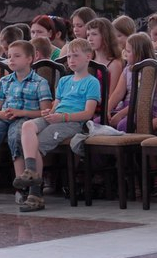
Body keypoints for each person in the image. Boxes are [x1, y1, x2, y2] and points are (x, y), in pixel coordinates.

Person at [13, 39, 101, 212]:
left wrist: (63, 117)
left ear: (88, 57)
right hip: (56, 117)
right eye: (69, 57)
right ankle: (31, 172)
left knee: (35, 145)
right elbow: (56, 105)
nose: (71, 60)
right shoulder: (64, 81)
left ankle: (35, 195)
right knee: (27, 126)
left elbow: (88, 113)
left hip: (71, 122)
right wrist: (49, 112)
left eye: (76, 56)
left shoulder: (92, 82)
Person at [0, 40, 52, 206]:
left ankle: (22, 189)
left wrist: (22, 113)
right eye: (9, 56)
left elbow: (45, 113)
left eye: (17, 56)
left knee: (16, 138)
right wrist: (2, 114)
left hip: (26, 118)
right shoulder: (4, 81)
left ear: (29, 59)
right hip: (4, 118)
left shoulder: (39, 82)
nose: (11, 59)